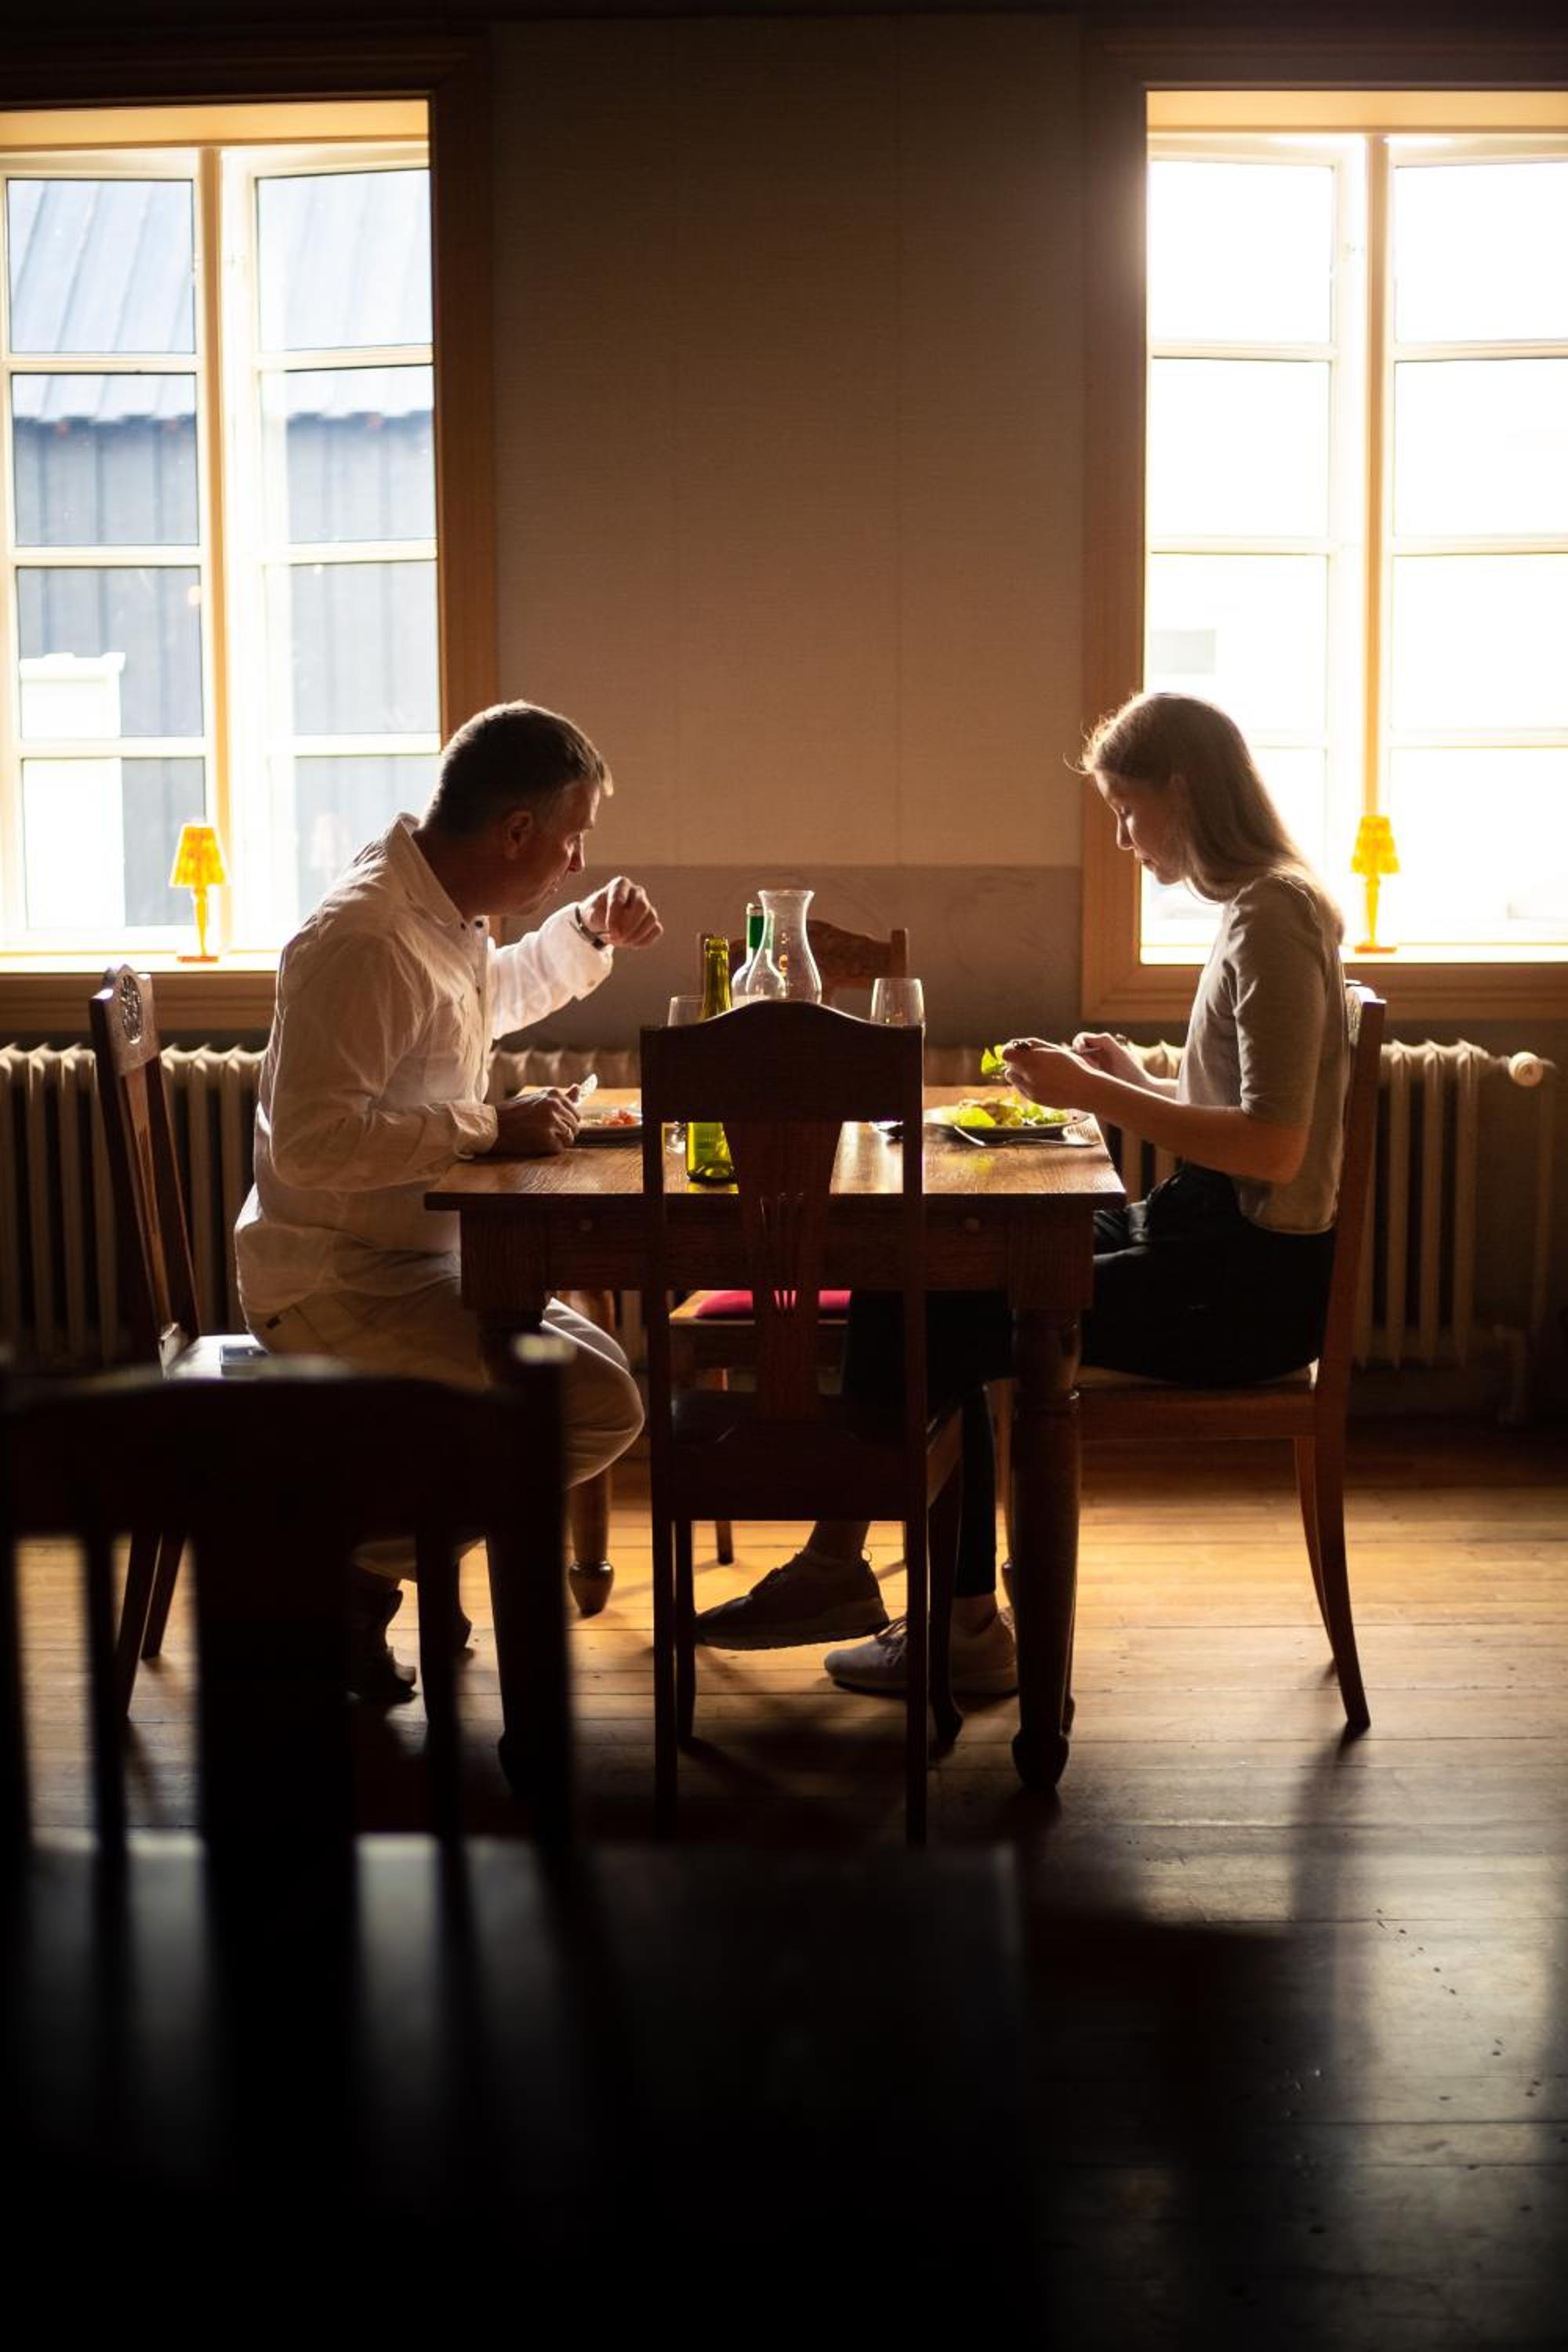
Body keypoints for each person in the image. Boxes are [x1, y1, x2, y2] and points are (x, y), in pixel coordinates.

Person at [696, 691, 1350, 1699]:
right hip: (1209, 1241)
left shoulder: (1271, 917)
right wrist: (1133, 1079)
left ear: (1180, 791)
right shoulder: (1258, 908)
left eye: (1126, 811)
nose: (1124, 840)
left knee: (940, 1311)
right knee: (919, 1265)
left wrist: (1093, 1092)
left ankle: (940, 1617)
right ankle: (870, 1581)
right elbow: (1249, 1109)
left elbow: (1271, 1146)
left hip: (1242, 1289)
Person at [235, 699, 662, 1697]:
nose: (575, 863)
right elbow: (311, 1143)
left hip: (416, 1263)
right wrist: (484, 1126)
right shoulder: (363, 937)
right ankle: (348, 1575)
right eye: (571, 840)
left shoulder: (438, 910)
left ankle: (367, 1567)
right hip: (333, 1281)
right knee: (589, 1406)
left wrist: (583, 931)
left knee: (603, 1387)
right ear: (515, 830)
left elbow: (477, 1004)